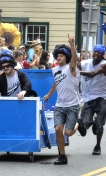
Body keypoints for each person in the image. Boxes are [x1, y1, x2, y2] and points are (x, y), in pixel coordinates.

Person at [43, 35, 86, 165]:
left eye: (61, 55)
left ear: (66, 57)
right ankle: (62, 156)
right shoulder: (54, 69)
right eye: (58, 55)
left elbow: (74, 58)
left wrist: (72, 45)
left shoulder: (71, 68)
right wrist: (49, 95)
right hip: (60, 105)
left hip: (72, 104)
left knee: (68, 132)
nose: (59, 57)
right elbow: (56, 83)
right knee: (57, 130)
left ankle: (78, 123)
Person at [78, 44, 106, 155]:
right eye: (95, 51)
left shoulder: (104, 65)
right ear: (93, 52)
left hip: (102, 97)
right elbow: (74, 65)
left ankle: (98, 146)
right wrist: (74, 54)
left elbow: (92, 74)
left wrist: (76, 73)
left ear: (102, 54)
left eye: (99, 52)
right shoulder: (85, 63)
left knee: (99, 125)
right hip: (88, 97)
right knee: (85, 122)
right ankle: (87, 123)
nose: (96, 54)